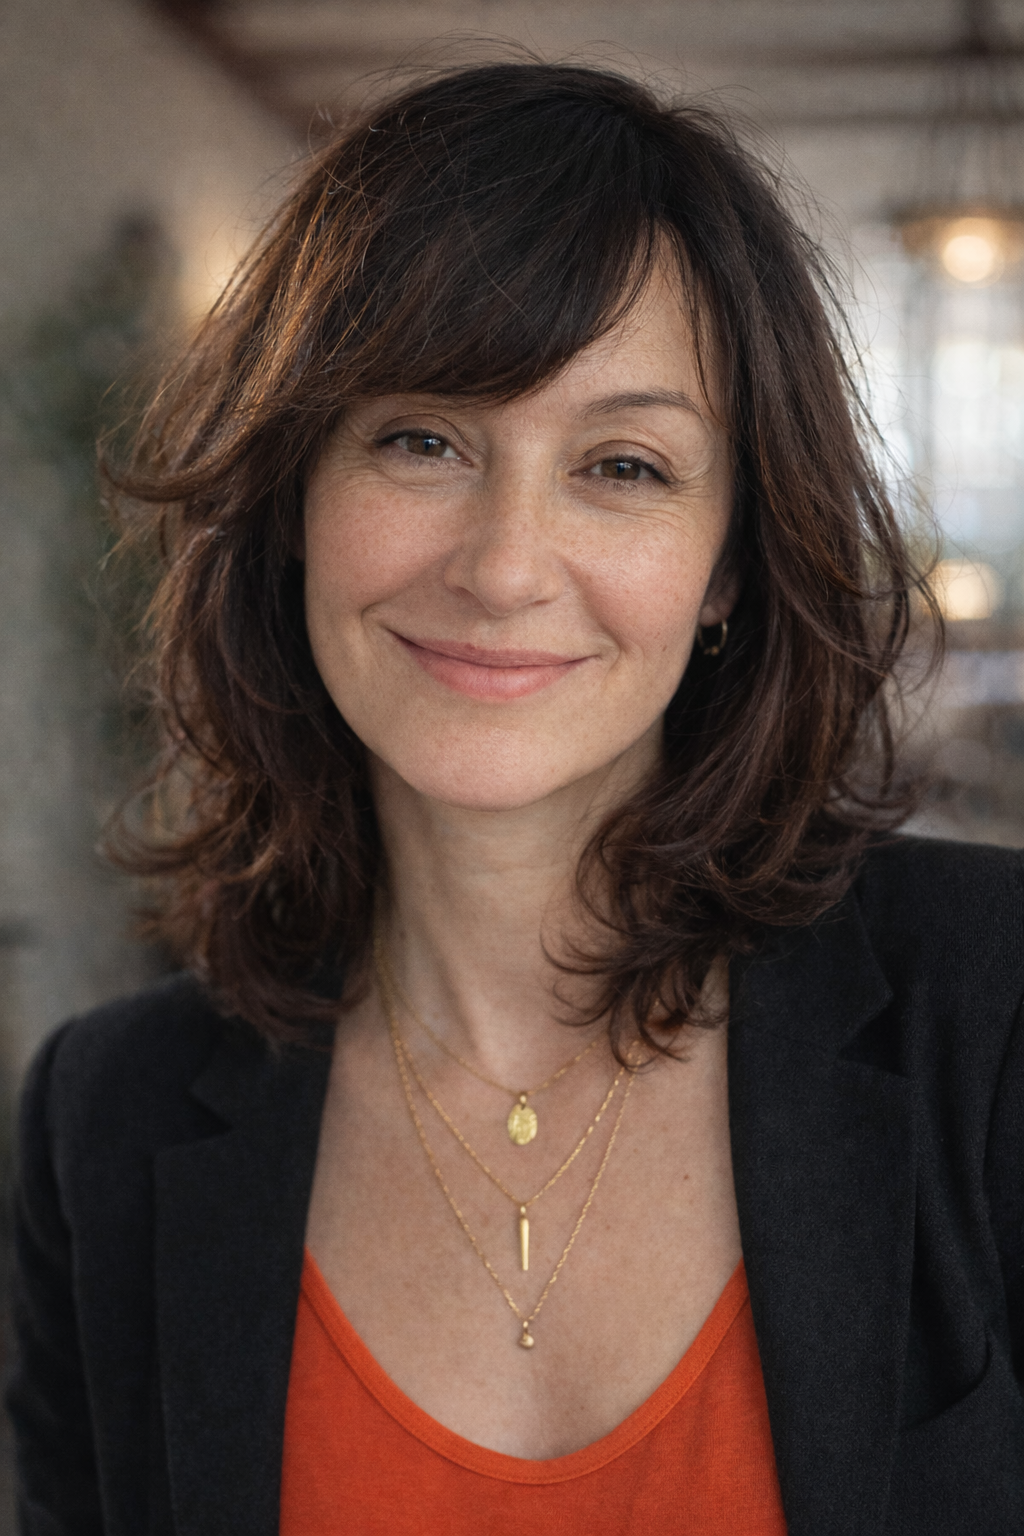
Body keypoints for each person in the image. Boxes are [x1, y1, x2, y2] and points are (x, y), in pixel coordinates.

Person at [7, 61, 1023, 1536]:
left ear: (730, 565)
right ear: (296, 497)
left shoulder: (994, 1007)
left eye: (623, 466)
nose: (502, 567)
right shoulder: (106, 1117)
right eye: (423, 439)